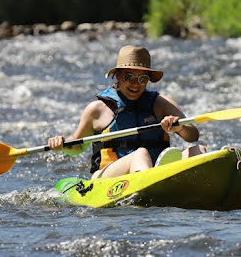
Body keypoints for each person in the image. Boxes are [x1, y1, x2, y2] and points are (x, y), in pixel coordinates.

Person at [48, 45, 206, 179]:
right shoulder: (97, 109)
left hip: (154, 171)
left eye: (142, 79)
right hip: (108, 177)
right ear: (117, 76)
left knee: (199, 151)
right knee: (141, 153)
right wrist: (61, 145)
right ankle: (152, 183)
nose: (136, 84)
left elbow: (193, 136)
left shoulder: (160, 104)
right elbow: (78, 145)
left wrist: (180, 128)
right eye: (129, 77)